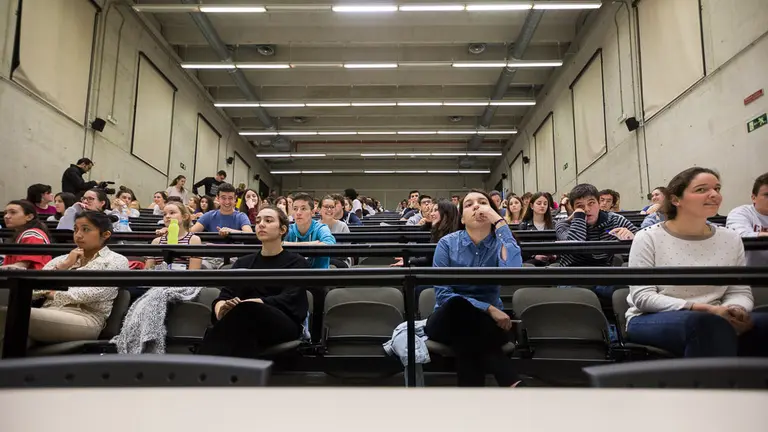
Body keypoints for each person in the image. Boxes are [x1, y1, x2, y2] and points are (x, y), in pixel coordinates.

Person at [626, 167, 768, 357]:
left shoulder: (731, 238)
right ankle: (711, 385)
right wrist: (704, 309)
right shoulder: (648, 237)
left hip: (717, 313)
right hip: (652, 317)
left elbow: (739, 291)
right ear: (676, 200)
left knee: (763, 323)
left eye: (717, 189)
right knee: (706, 325)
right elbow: (643, 297)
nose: (714, 195)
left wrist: (735, 309)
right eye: (701, 190)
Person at [428, 189, 524, 387]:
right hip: (446, 319)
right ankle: (511, 382)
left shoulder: (500, 243)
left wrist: (499, 222)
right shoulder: (446, 244)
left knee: (468, 333)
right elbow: (443, 294)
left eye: (483, 203)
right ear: (462, 218)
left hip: (488, 325)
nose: (477, 207)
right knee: (457, 305)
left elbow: (514, 270)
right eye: (469, 204)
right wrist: (488, 308)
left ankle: (472, 400)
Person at [0, 211, 128, 346]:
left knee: (7, 314)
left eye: (86, 230)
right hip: (48, 312)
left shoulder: (116, 260)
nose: (78, 235)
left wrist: (51, 293)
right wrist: (64, 266)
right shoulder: (62, 259)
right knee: (14, 337)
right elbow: (32, 289)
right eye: (75, 229)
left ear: (105, 234)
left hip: (85, 319)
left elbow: (93, 293)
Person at [197, 206, 310, 359]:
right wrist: (221, 310)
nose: (261, 224)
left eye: (268, 221)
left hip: (283, 324)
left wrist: (249, 304)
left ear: (282, 230)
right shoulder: (243, 262)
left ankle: (204, 367)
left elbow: (291, 300)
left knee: (242, 317)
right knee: (242, 329)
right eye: (258, 221)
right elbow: (225, 295)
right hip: (242, 319)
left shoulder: (297, 262)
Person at [555, 184, 638, 298]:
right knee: (576, 295)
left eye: (591, 203)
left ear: (599, 203)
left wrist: (632, 236)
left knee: (630, 289)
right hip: (573, 277)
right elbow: (575, 245)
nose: (587, 209)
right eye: (580, 206)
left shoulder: (614, 219)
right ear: (573, 209)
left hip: (604, 276)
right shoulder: (563, 225)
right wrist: (579, 217)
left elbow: (643, 238)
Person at [727, 172, 768, 266]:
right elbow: (738, 236)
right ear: (754, 198)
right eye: (767, 195)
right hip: (748, 275)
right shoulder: (740, 213)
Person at [145, 202, 202, 270]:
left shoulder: (193, 240)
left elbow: (194, 271)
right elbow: (148, 269)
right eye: (164, 214)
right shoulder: (156, 241)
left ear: (184, 217)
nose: (167, 216)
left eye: (172, 213)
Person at [285, 193, 336, 269]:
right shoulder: (289, 229)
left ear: (312, 212)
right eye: (295, 209)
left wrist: (290, 244)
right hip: (294, 277)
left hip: (319, 277)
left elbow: (330, 244)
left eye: (303, 209)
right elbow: (277, 244)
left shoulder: (321, 228)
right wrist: (313, 243)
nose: (298, 213)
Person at [1, 200, 52, 270]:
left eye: (13, 212)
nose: (6, 216)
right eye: (5, 213)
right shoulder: (22, 234)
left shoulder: (32, 235)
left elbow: (20, 266)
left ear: (29, 217)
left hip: (31, 279)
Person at [518, 192, 556, 266]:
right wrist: (534, 256)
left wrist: (555, 255)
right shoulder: (524, 226)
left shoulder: (554, 224)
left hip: (551, 261)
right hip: (531, 261)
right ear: (532, 206)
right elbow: (520, 248)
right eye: (539, 203)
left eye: (545, 204)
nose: (542, 206)